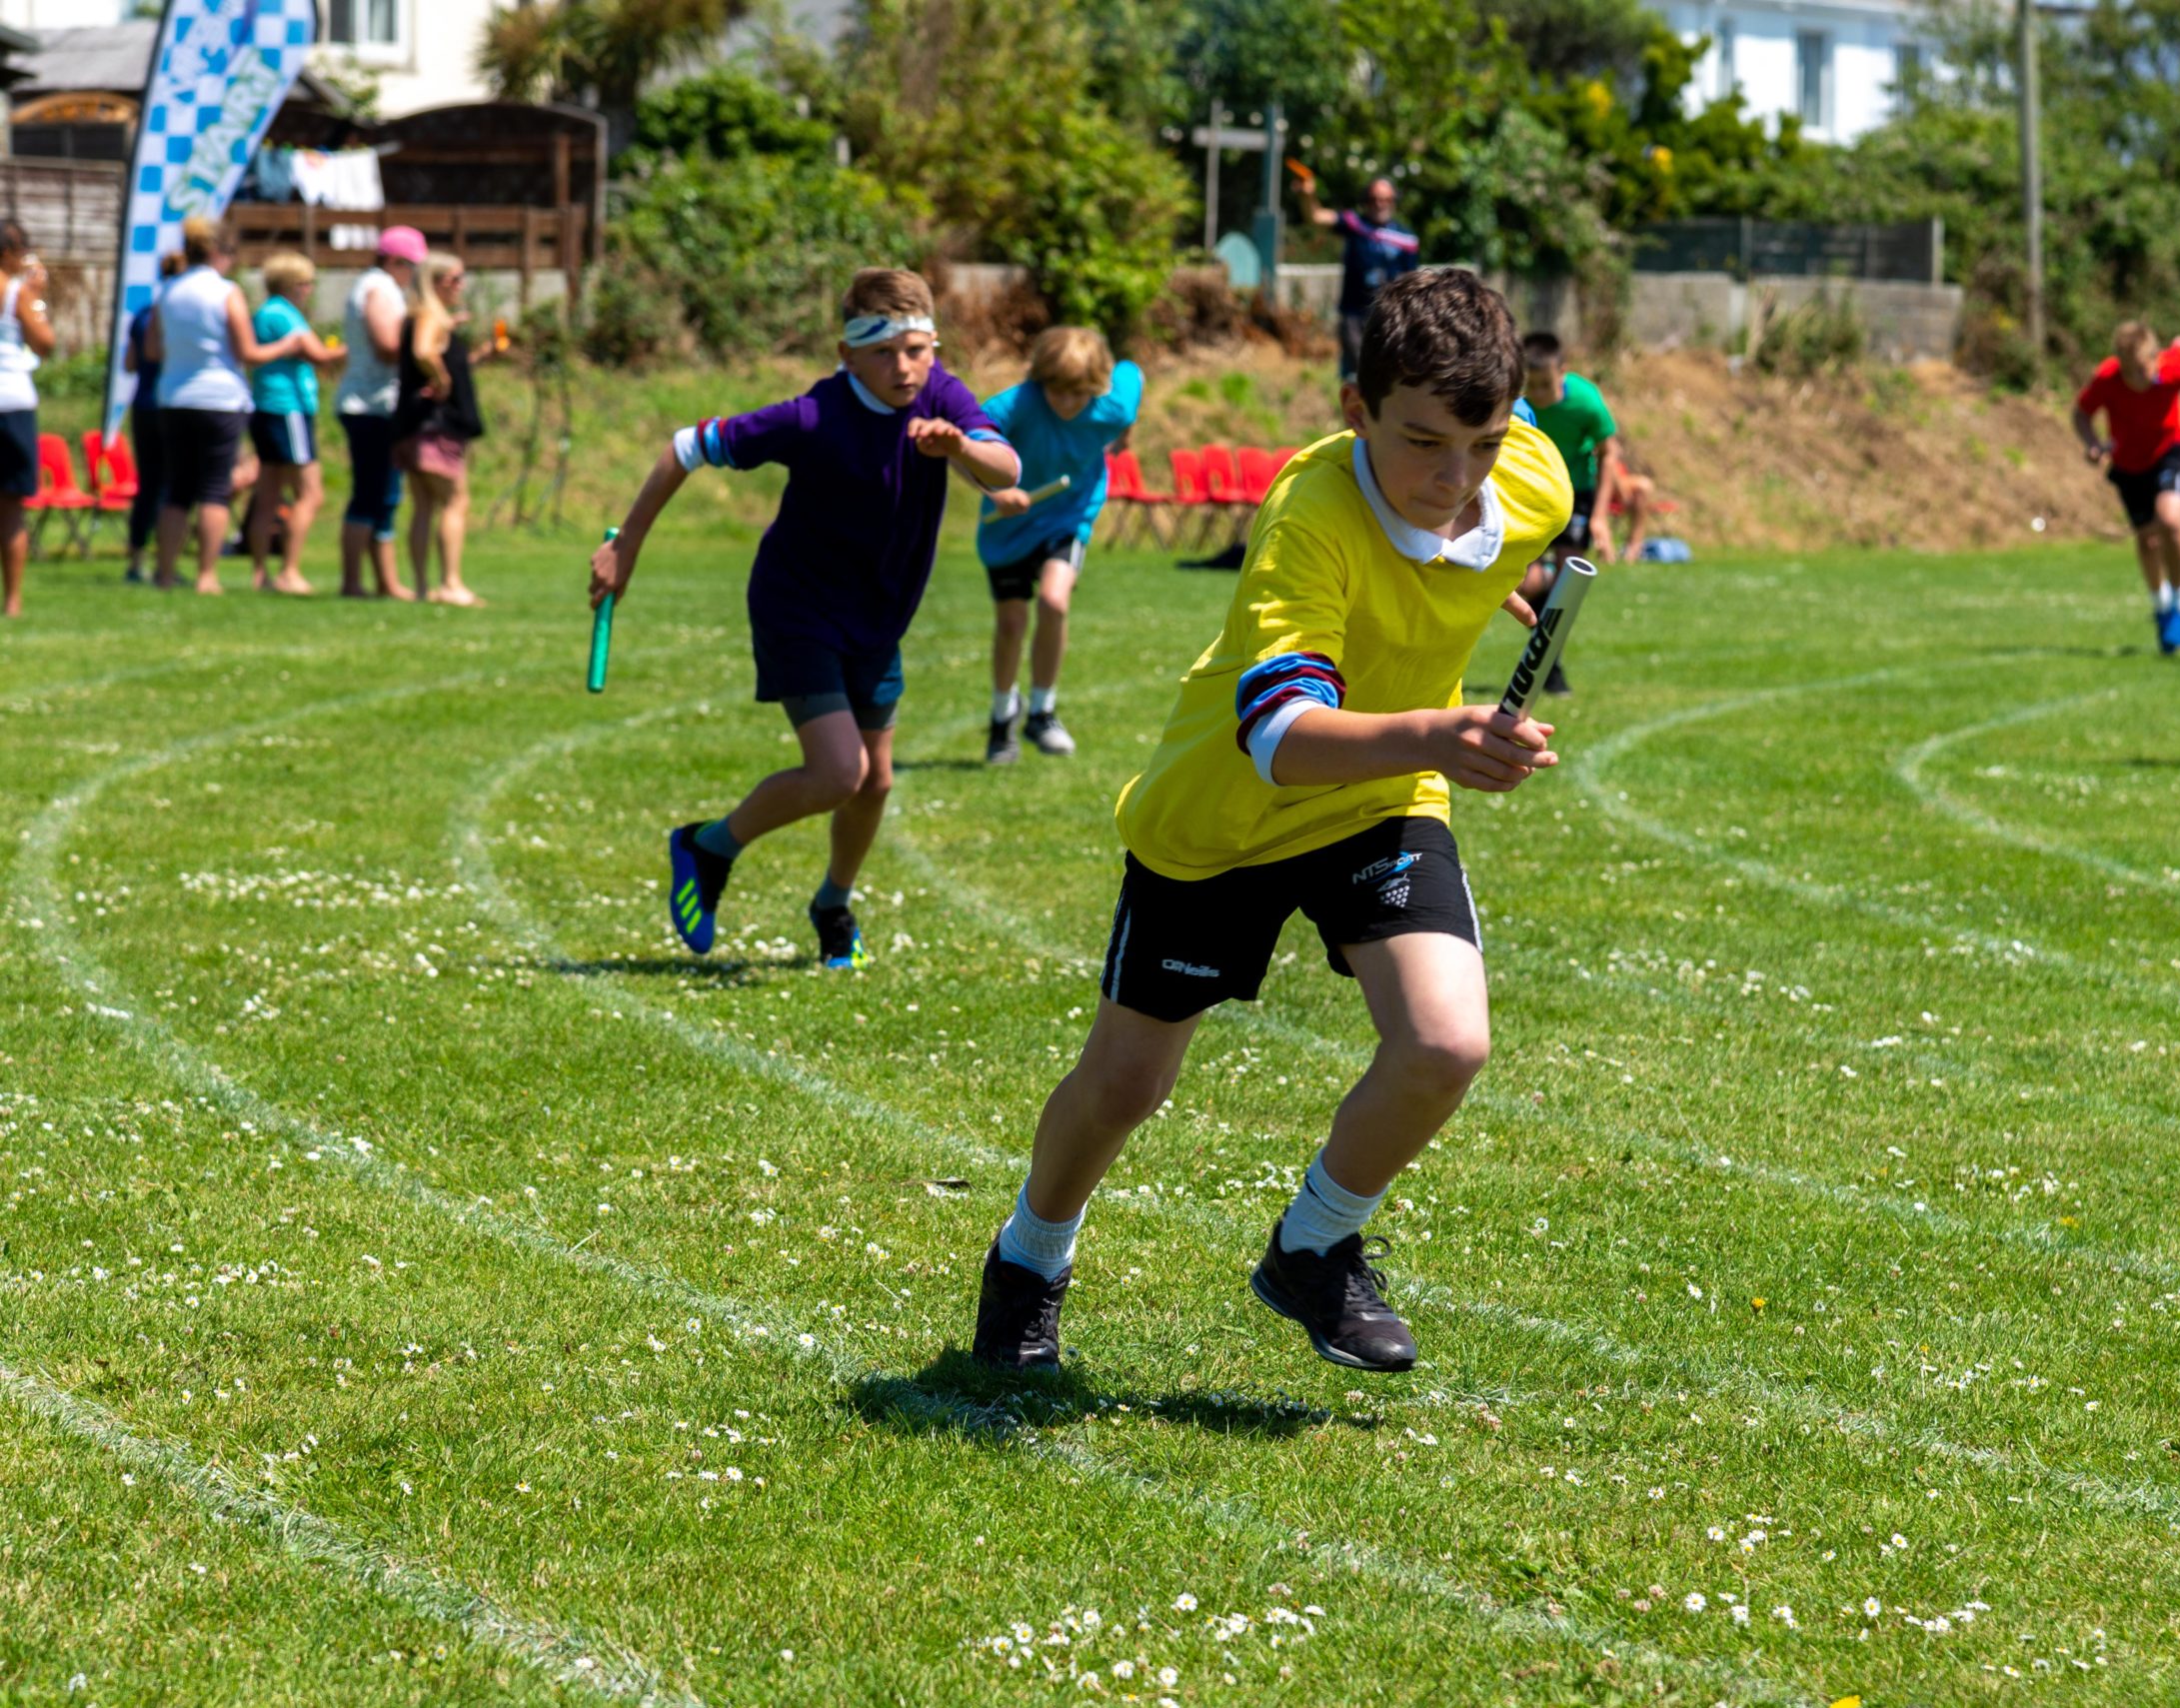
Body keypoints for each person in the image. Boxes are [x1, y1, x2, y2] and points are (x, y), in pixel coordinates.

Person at [967, 269, 1572, 1376]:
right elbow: (1281, 733)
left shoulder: (1529, 476)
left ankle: (1314, 1246)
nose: (1456, 478)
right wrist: (1441, 731)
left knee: (1447, 1041)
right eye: (1423, 443)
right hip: (1226, 817)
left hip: (1380, 799)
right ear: (1355, 409)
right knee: (1126, 1085)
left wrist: (1481, 573)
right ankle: (1028, 1258)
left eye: (1481, 445)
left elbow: (1489, 487)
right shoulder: (1310, 517)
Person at [587, 268, 1019, 971]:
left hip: (878, 617)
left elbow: (1005, 467)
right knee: (840, 771)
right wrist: (625, 546)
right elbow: (685, 447)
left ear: (933, 347)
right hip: (799, 608)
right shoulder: (811, 417)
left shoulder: (942, 395)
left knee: (875, 782)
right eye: (883, 353)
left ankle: (832, 906)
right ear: (847, 355)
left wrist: (961, 449)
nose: (903, 368)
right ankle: (708, 846)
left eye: (916, 350)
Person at [975, 326, 1143, 764]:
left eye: (1078, 394)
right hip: (1008, 527)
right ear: (1039, 380)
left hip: (1069, 516)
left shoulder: (1114, 404)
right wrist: (994, 492)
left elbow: (1133, 373)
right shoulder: (1017, 405)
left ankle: (1042, 712)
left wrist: (1126, 433)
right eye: (1057, 391)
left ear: (1095, 385)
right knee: (1011, 624)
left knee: (1054, 601)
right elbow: (962, 444)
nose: (1066, 403)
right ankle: (1002, 716)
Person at [146, 218, 307, 597]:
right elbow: (247, 352)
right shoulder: (225, 292)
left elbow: (152, 349)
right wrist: (287, 346)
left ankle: (165, 574)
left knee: (177, 491)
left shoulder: (168, 292)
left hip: (173, 397)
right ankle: (206, 576)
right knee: (215, 489)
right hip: (219, 398)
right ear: (218, 252)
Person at [2073, 323, 2180, 655]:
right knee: (2148, 539)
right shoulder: (2106, 378)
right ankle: (2160, 605)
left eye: (2145, 367)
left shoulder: (2174, 367)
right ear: (2120, 364)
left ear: (2155, 356)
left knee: (2170, 521)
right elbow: (2081, 414)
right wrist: (2092, 444)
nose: (2141, 377)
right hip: (2128, 464)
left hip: (2170, 450)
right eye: (2132, 371)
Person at [1515, 331, 1620, 696]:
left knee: (1568, 588)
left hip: (1577, 496)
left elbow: (1609, 452)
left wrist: (1600, 518)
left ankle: (1550, 668)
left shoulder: (1586, 401)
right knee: (1525, 584)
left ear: (1563, 370)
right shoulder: (1516, 403)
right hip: (1533, 494)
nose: (1538, 394)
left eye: (1546, 384)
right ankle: (1546, 579)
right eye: (1531, 385)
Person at [391, 252, 490, 607]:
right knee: (454, 501)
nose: (461, 285)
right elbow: (423, 352)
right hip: (437, 427)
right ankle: (450, 584)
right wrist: (443, 379)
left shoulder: (419, 317)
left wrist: (470, 358)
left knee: (423, 505)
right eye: (454, 279)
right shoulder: (431, 316)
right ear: (434, 282)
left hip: (412, 425)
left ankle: (422, 587)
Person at [245, 252, 343, 596]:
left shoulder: (264, 312)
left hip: (265, 407)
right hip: (288, 409)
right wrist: (358, 348)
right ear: (292, 285)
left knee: (268, 494)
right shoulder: (284, 315)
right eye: (306, 283)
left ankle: (260, 573)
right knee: (310, 493)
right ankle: (289, 571)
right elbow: (319, 355)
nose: (310, 290)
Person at [335, 227, 426, 600]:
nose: (414, 275)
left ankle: (386, 582)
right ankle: (352, 582)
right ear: (393, 261)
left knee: (386, 496)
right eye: (411, 266)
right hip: (368, 405)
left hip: (378, 405)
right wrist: (427, 342)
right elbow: (387, 345)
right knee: (370, 494)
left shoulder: (383, 287)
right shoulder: (379, 287)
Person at [1298, 175, 1420, 380]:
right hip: (1354, 315)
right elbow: (1316, 217)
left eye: (1386, 199)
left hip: (1390, 317)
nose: (1380, 204)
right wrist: (1307, 195)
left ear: (1394, 201)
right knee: (1356, 375)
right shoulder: (1355, 225)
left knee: (1386, 376)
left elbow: (1412, 282)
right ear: (1366, 201)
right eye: (1374, 199)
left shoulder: (1406, 239)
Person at [121, 253, 186, 586]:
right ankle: (166, 563)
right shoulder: (178, 315)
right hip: (170, 405)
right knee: (173, 486)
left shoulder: (143, 313)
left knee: (147, 485)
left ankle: (136, 561)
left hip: (142, 405)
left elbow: (130, 363)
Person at [0, 220, 52, 621]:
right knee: (11, 507)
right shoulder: (15, 291)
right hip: (11, 400)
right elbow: (45, 343)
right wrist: (36, 300)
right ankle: (13, 600)